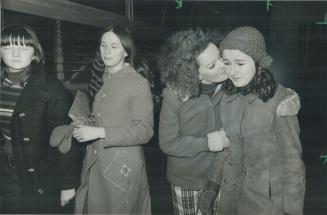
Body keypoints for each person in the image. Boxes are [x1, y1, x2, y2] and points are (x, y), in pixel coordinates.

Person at [158, 29, 302, 215]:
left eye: (221, 59)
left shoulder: (230, 87)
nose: (225, 68)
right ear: (196, 75)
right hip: (192, 178)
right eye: (212, 66)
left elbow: (292, 165)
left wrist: (289, 96)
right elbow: (168, 142)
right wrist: (210, 144)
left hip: (246, 188)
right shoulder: (179, 94)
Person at [215, 26, 305, 215]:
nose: (232, 72)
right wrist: (213, 185)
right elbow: (228, 151)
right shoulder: (227, 97)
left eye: (240, 63)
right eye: (227, 62)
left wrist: (292, 210)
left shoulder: (279, 102)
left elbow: (293, 165)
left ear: (258, 63)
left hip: (267, 203)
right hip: (232, 196)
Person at [73, 24, 153, 214]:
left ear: (126, 51)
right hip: (96, 164)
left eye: (114, 46)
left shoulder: (138, 83)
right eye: (103, 45)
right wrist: (86, 123)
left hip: (121, 170)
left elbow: (145, 130)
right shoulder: (103, 77)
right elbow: (105, 118)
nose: (106, 51)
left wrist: (99, 131)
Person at [0, 24, 76, 213]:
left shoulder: (51, 88)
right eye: (8, 47)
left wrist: (68, 184)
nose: (15, 53)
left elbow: (64, 139)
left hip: (35, 173)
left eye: (23, 47)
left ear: (35, 53)